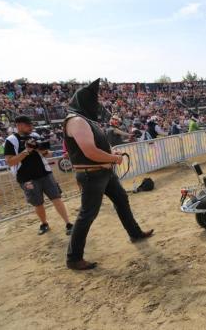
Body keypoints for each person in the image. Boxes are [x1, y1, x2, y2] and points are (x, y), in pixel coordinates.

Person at [63, 79, 153, 271]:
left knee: (121, 199)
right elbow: (89, 151)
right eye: (93, 101)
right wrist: (113, 159)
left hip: (103, 172)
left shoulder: (87, 120)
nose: (97, 105)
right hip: (92, 175)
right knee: (87, 214)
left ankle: (135, 233)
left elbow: (99, 145)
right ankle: (73, 258)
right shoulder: (76, 121)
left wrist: (113, 155)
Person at [4, 115, 73, 235]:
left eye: (31, 124)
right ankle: (44, 223)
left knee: (56, 198)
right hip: (26, 178)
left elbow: (48, 154)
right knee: (38, 203)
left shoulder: (35, 136)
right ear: (19, 125)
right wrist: (26, 151)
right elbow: (10, 161)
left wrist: (41, 150)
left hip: (45, 173)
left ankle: (68, 223)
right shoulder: (11, 140)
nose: (31, 127)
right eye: (28, 125)